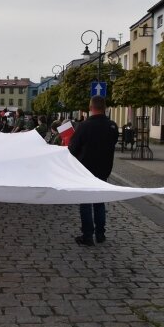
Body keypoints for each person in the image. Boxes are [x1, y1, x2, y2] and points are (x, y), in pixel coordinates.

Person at [68, 96, 119, 247]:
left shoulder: (84, 126)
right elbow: (113, 143)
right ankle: (100, 234)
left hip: (85, 170)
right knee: (99, 202)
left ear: (90, 108)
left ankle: (88, 235)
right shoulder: (112, 126)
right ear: (105, 108)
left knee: (85, 203)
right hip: (104, 169)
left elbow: (73, 149)